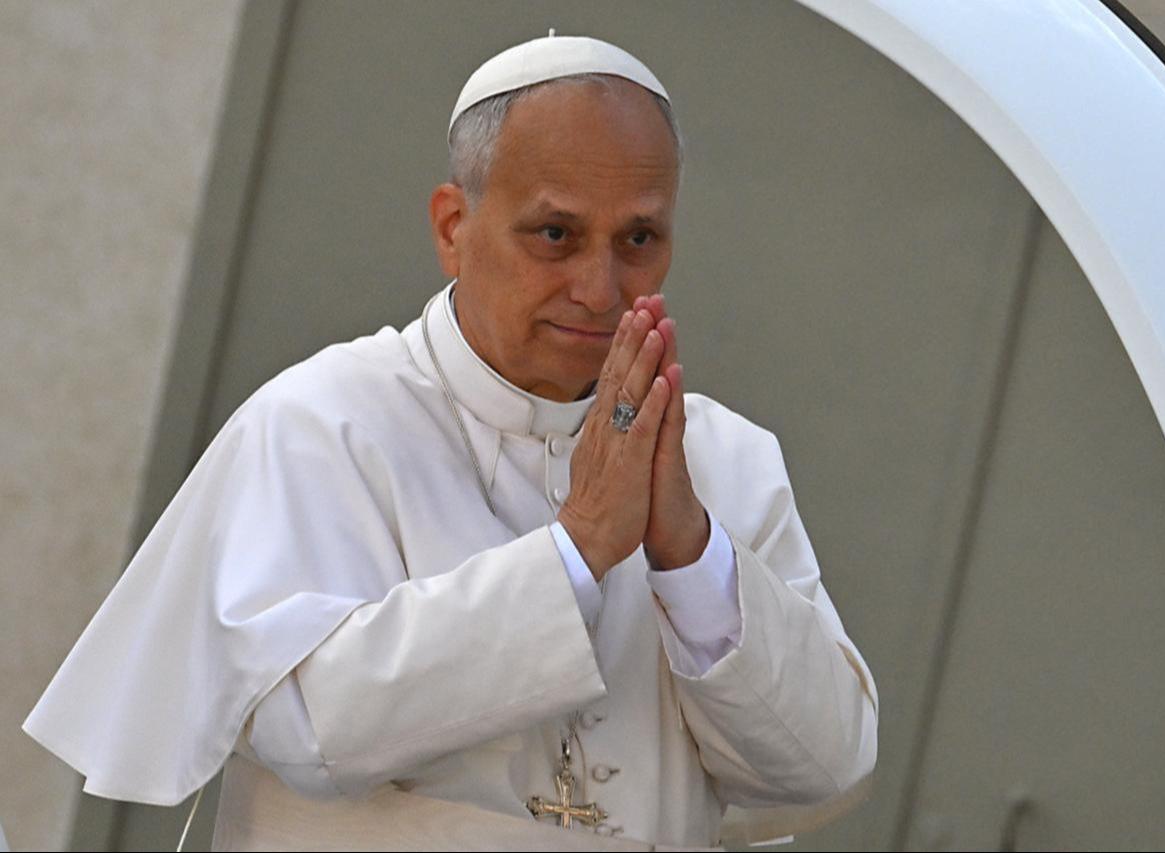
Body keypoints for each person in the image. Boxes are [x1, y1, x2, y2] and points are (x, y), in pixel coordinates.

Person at [24, 33, 878, 851]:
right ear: (453, 227)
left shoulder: (721, 462)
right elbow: (312, 726)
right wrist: (577, 550)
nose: (599, 286)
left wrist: (691, 556)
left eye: (639, 239)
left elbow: (828, 764)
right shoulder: (325, 423)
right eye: (556, 234)